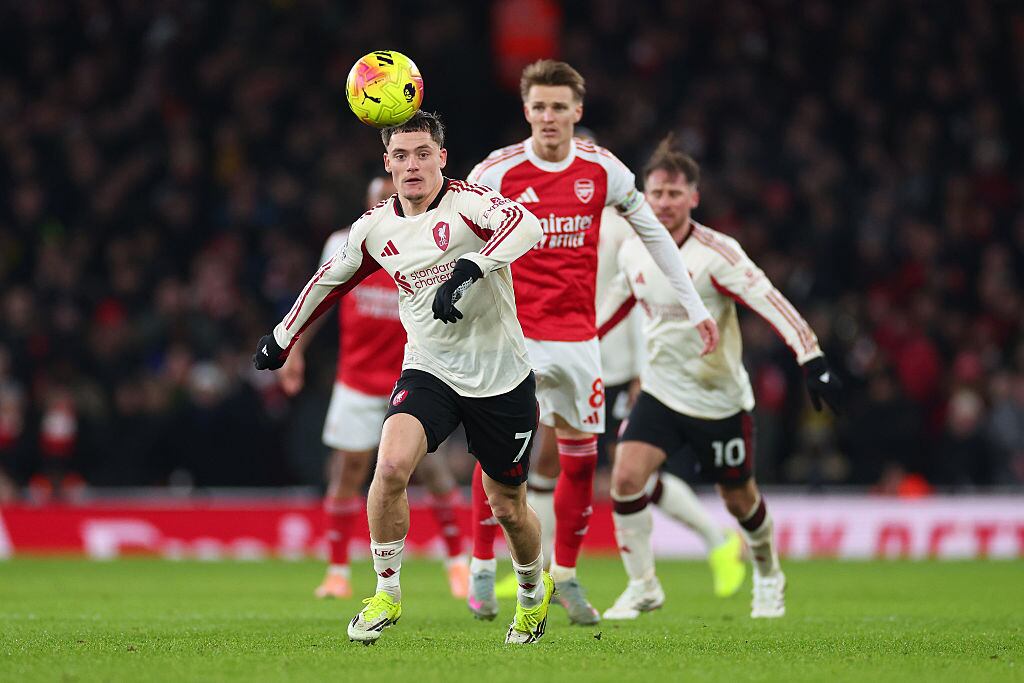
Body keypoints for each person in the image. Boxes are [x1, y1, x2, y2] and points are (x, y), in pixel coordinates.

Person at [253, 111, 551, 645]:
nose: (411, 165)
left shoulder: (470, 202)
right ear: (386, 163)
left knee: (507, 506)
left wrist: (472, 267)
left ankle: (532, 592)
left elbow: (527, 225)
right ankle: (385, 593)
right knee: (389, 466)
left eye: (421, 154)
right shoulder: (375, 228)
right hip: (429, 368)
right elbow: (329, 280)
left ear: (441, 157)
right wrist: (283, 336)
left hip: (500, 376)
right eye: (400, 156)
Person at [466, 59, 718, 625]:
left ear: (578, 112)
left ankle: (568, 577)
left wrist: (696, 306)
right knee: (499, 460)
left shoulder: (603, 170)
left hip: (581, 341)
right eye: (539, 107)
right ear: (525, 110)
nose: (549, 117)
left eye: (560, 107)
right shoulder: (496, 173)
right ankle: (482, 566)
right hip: (516, 339)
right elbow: (460, 241)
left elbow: (656, 237)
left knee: (580, 466)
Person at [597, 137, 843, 620]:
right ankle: (643, 585)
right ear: (643, 196)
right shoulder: (633, 250)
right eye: (656, 194)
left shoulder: (718, 253)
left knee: (739, 498)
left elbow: (771, 301)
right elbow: (604, 313)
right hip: (661, 391)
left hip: (719, 398)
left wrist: (811, 356)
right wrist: (563, 349)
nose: (663, 203)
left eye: (674, 194)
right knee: (625, 478)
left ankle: (769, 573)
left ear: (694, 197)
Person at [277, 176, 469, 601]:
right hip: (358, 379)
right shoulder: (345, 244)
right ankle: (337, 572)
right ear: (367, 205)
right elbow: (320, 299)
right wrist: (294, 349)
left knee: (432, 470)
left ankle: (459, 564)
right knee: (347, 471)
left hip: (414, 372)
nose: (387, 203)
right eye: (378, 198)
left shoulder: (431, 240)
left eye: (392, 196)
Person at [597, 207, 746, 603]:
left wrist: (639, 373)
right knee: (554, 463)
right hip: (580, 361)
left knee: (630, 475)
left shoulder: (620, 227)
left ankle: (713, 544)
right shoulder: (548, 216)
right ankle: (537, 567)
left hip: (617, 367)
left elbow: (636, 298)